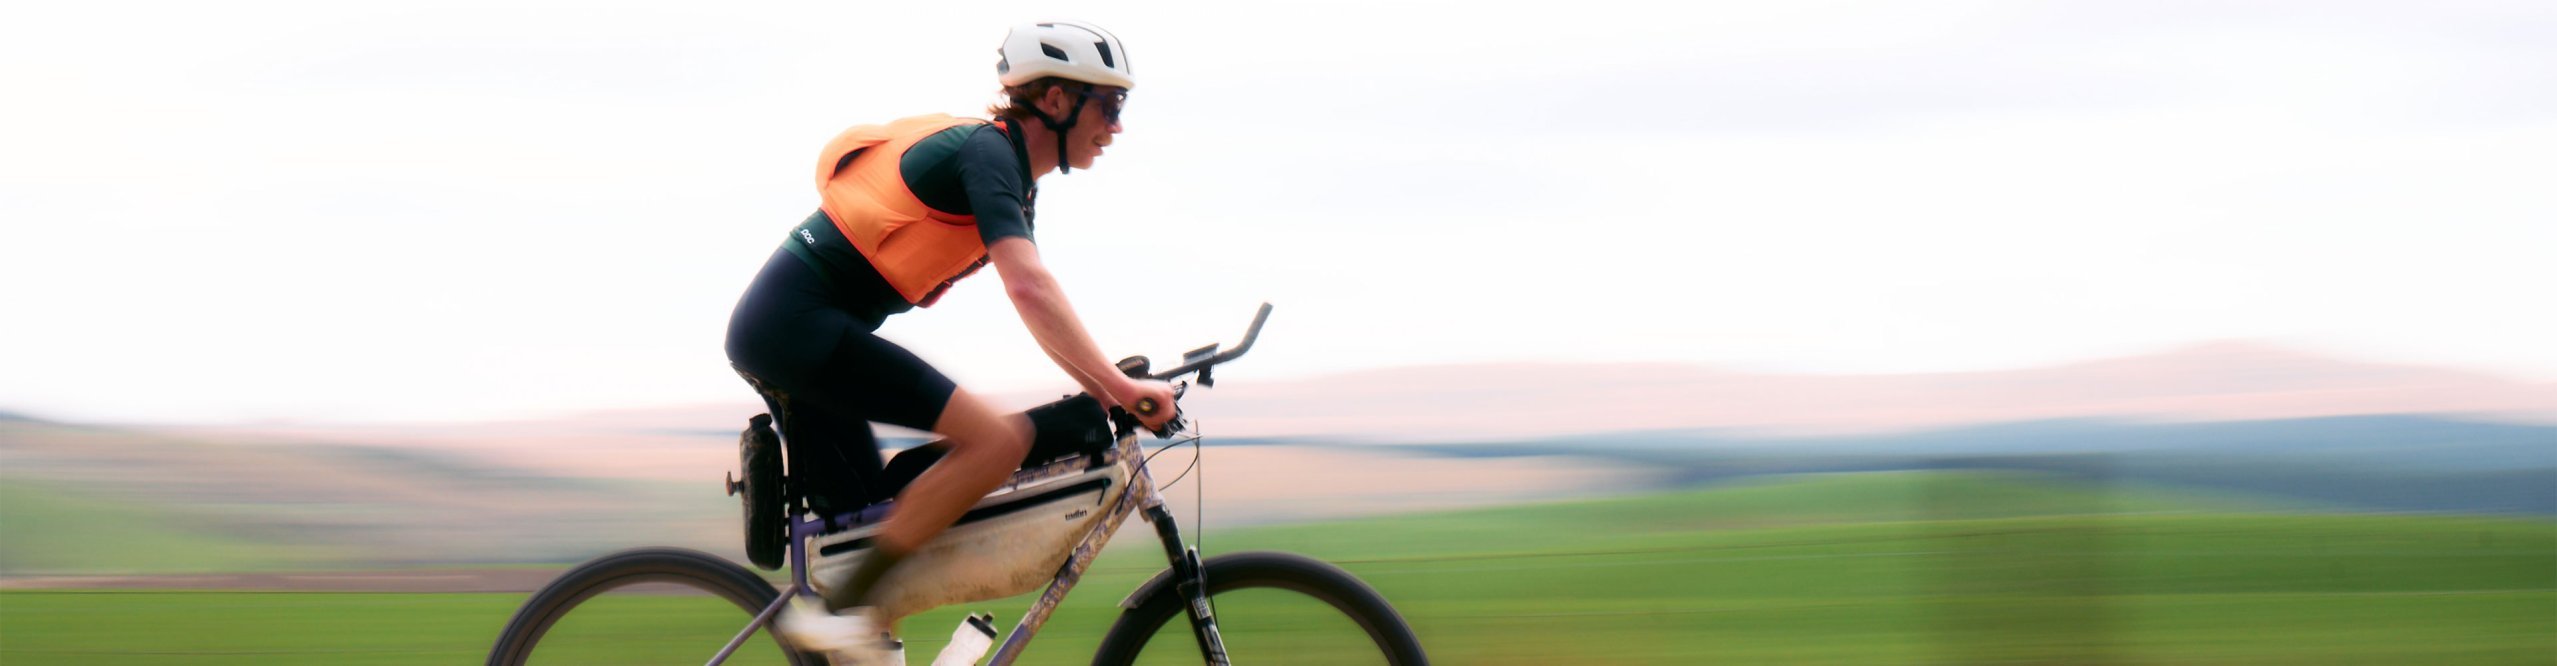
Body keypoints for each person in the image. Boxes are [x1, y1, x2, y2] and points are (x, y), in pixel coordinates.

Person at [721, 20, 1176, 664]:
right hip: (794, 329)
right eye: (1109, 105)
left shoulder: (1007, 172)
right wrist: (1119, 386)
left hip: (795, 330)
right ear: (1056, 99)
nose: (1117, 125)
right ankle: (833, 615)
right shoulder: (988, 154)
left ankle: (845, 621)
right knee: (997, 442)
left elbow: (1037, 306)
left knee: (874, 531)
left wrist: (1109, 389)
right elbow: (1030, 289)